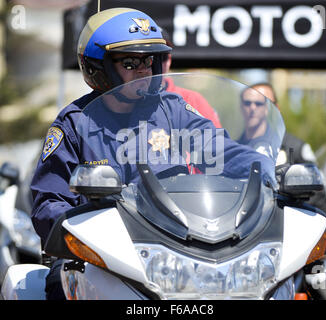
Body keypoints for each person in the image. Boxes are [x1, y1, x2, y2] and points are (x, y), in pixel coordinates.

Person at [30, 8, 276, 299]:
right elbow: (49, 201)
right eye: (131, 62)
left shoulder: (173, 110)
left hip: (174, 251)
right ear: (99, 67)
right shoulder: (74, 123)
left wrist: (269, 171)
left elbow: (224, 151)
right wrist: (78, 234)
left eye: (149, 60)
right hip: (100, 256)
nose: (144, 70)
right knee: (61, 286)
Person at [250, 82, 326, 214]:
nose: (253, 107)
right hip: (244, 229)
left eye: (261, 103)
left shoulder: (297, 148)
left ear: (276, 108)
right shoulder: (235, 149)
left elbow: (318, 199)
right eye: (248, 102)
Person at [160, 31, 222, 128]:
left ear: (169, 60)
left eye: (160, 57)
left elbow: (218, 140)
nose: (153, 63)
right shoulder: (129, 100)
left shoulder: (192, 99)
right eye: (147, 57)